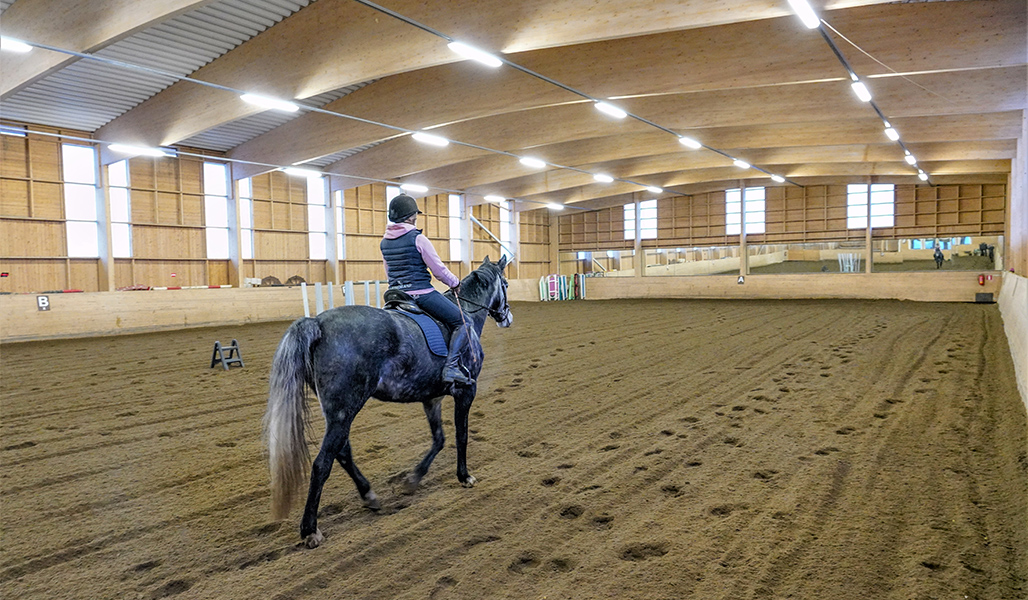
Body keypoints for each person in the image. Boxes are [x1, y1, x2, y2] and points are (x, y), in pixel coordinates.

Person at [381, 194, 475, 385]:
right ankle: (451, 368)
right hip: (421, 294)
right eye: (415, 214)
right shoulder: (418, 238)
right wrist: (455, 283)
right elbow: (438, 270)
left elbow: (388, 271)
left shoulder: (385, 242)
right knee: (464, 322)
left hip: (395, 294)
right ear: (410, 216)